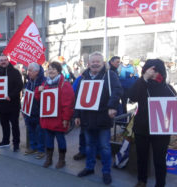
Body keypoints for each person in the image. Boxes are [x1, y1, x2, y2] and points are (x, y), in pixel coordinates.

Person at [75, 52, 123, 185]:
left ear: (103, 63)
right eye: (93, 61)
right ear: (88, 63)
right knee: (89, 145)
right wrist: (77, 115)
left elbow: (117, 90)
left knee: (105, 147)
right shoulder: (83, 77)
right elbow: (79, 97)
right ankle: (89, 167)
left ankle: (106, 171)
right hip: (87, 118)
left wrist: (112, 106)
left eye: (98, 61)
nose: (95, 63)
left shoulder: (110, 75)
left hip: (103, 118)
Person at [128, 59, 176, 187]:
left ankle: (160, 184)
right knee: (142, 158)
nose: (152, 73)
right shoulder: (142, 84)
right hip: (142, 129)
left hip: (161, 131)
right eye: (150, 70)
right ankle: (141, 181)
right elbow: (132, 97)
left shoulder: (168, 88)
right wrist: (144, 78)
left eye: (155, 70)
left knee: (159, 160)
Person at [35, 61, 75, 169]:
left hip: (59, 119)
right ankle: (49, 159)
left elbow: (68, 104)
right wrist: (38, 91)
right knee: (48, 140)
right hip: (47, 119)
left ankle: (62, 160)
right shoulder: (45, 84)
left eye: (54, 69)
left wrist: (66, 118)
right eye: (49, 68)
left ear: (58, 71)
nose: (51, 71)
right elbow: (39, 99)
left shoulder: (64, 84)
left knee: (60, 140)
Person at [0, 54, 23, 152]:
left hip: (13, 104)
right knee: (4, 124)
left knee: (14, 124)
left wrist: (10, 95)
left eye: (5, 60)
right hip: (2, 105)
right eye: (1, 60)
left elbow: (19, 86)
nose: (3, 62)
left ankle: (16, 143)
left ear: (8, 60)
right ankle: (5, 141)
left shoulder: (15, 72)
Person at [23, 62, 46, 159]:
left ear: (36, 71)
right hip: (29, 110)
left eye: (30, 70)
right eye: (28, 70)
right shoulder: (29, 81)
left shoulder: (44, 81)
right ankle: (33, 147)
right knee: (31, 131)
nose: (28, 72)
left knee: (40, 132)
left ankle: (41, 150)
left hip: (39, 110)